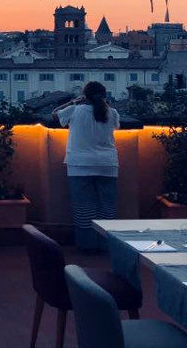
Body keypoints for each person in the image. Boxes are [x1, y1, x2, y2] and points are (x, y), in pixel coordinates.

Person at [52, 81, 120, 252]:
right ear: (104, 95)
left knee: (83, 207)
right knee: (107, 208)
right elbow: (115, 125)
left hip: (79, 164)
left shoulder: (75, 110)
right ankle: (106, 245)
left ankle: (87, 246)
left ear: (85, 96)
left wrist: (74, 101)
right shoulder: (112, 112)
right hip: (108, 164)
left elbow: (54, 114)